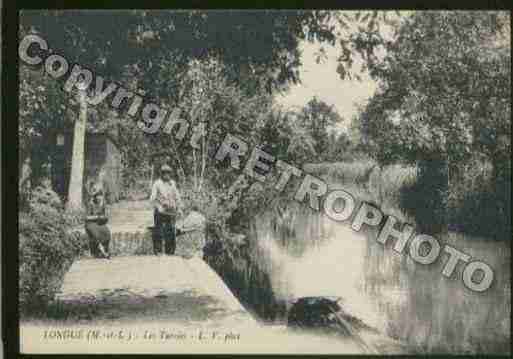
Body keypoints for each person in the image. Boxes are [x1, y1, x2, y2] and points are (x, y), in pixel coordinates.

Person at [150, 164, 183, 255]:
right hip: (160, 210)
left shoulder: (172, 183)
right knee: (158, 230)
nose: (167, 175)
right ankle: (158, 250)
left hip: (170, 210)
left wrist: (179, 208)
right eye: (165, 173)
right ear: (161, 174)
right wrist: (158, 205)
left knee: (171, 230)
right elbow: (152, 198)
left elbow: (177, 197)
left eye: (168, 173)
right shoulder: (157, 183)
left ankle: (170, 251)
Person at [85, 183, 111, 259]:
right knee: (96, 233)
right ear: (95, 197)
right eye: (98, 196)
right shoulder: (90, 204)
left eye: (101, 196)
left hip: (99, 223)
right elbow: (87, 217)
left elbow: (105, 215)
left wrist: (103, 218)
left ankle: (106, 249)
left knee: (106, 231)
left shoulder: (102, 204)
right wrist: (97, 217)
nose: (99, 198)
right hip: (90, 223)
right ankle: (103, 251)